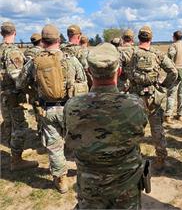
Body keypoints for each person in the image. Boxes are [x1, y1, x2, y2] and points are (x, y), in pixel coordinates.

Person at [64, 43, 148, 209]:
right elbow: (139, 132)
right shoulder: (135, 104)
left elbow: (70, 139)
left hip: (90, 184)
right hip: (126, 184)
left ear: (89, 72)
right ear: (118, 71)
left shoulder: (73, 106)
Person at [17, 24, 88, 193]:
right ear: (58, 39)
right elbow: (83, 80)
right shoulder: (70, 59)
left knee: (54, 147)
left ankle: (61, 180)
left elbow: (20, 83)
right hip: (69, 109)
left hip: (47, 110)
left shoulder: (35, 62)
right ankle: (84, 173)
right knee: (78, 142)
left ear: (42, 41)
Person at [121, 25, 178, 169]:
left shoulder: (130, 52)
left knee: (133, 128)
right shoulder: (158, 54)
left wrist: (124, 83)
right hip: (153, 96)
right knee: (157, 128)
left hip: (135, 97)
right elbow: (173, 72)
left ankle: (132, 158)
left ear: (138, 38)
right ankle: (161, 158)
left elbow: (117, 67)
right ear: (151, 38)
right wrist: (164, 85)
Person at [0, 21, 38, 171]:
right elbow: (16, 76)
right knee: (20, 127)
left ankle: (15, 152)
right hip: (13, 95)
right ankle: (16, 160)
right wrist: (30, 87)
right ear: (14, 33)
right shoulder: (13, 52)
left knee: (9, 123)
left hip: (3, 93)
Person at [164, 30, 182, 122]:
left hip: (175, 72)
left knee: (171, 94)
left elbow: (170, 56)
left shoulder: (173, 46)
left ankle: (168, 115)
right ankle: (180, 114)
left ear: (174, 37)